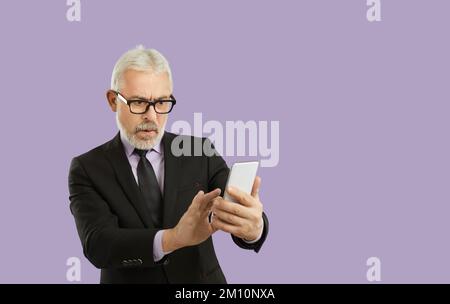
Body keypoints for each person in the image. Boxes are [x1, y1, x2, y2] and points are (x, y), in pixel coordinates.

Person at [68, 45, 269, 283]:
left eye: (162, 102)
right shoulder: (87, 168)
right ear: (113, 100)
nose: (151, 116)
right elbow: (99, 245)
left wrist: (254, 228)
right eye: (138, 102)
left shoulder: (199, 151)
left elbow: (234, 206)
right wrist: (173, 238)